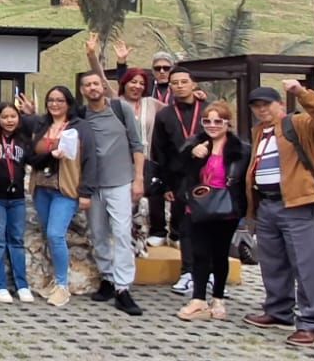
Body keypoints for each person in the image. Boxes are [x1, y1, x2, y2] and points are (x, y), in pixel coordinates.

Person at [242, 81, 314, 347]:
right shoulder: (259, 132)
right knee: (272, 261)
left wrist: (301, 93)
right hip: (267, 204)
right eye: (256, 106)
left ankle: (310, 323)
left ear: (280, 105)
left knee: (306, 265)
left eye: (266, 105)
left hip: (297, 203)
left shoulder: (299, 125)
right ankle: (278, 309)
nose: (262, 110)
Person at [81, 36, 146, 316]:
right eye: (88, 85)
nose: (93, 88)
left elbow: (137, 144)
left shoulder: (119, 109)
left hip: (120, 181)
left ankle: (123, 288)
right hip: (93, 184)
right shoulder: (80, 116)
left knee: (121, 233)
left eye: (96, 83)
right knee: (97, 234)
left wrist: (139, 178)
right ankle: (107, 277)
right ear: (82, 90)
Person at [176, 102, 248, 322]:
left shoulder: (241, 149)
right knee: (199, 253)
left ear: (228, 123)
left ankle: (218, 298)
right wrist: (191, 155)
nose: (213, 125)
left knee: (220, 254)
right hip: (198, 206)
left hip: (226, 208)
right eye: (207, 121)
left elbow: (244, 180)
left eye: (219, 121)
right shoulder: (195, 144)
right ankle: (198, 298)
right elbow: (177, 170)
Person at [24, 85, 88, 307]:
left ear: (69, 103)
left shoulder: (79, 127)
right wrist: (51, 154)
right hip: (42, 187)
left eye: (60, 100)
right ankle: (53, 280)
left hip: (65, 189)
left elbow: (89, 161)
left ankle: (63, 285)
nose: (55, 104)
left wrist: (86, 191)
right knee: (47, 234)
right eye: (51, 100)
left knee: (55, 234)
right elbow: (30, 156)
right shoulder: (42, 125)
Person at [148, 67, 208, 292]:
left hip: (209, 177)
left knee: (210, 225)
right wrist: (165, 184)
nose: (180, 86)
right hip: (180, 178)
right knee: (186, 227)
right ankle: (188, 272)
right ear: (169, 87)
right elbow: (159, 151)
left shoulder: (208, 110)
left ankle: (209, 272)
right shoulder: (164, 115)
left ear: (194, 84)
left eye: (184, 81)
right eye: (175, 83)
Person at [0, 103, 33, 303]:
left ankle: (22, 285)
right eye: (5, 117)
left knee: (17, 241)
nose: (9, 120)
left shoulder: (23, 140)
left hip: (17, 199)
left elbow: (36, 159)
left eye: (13, 116)